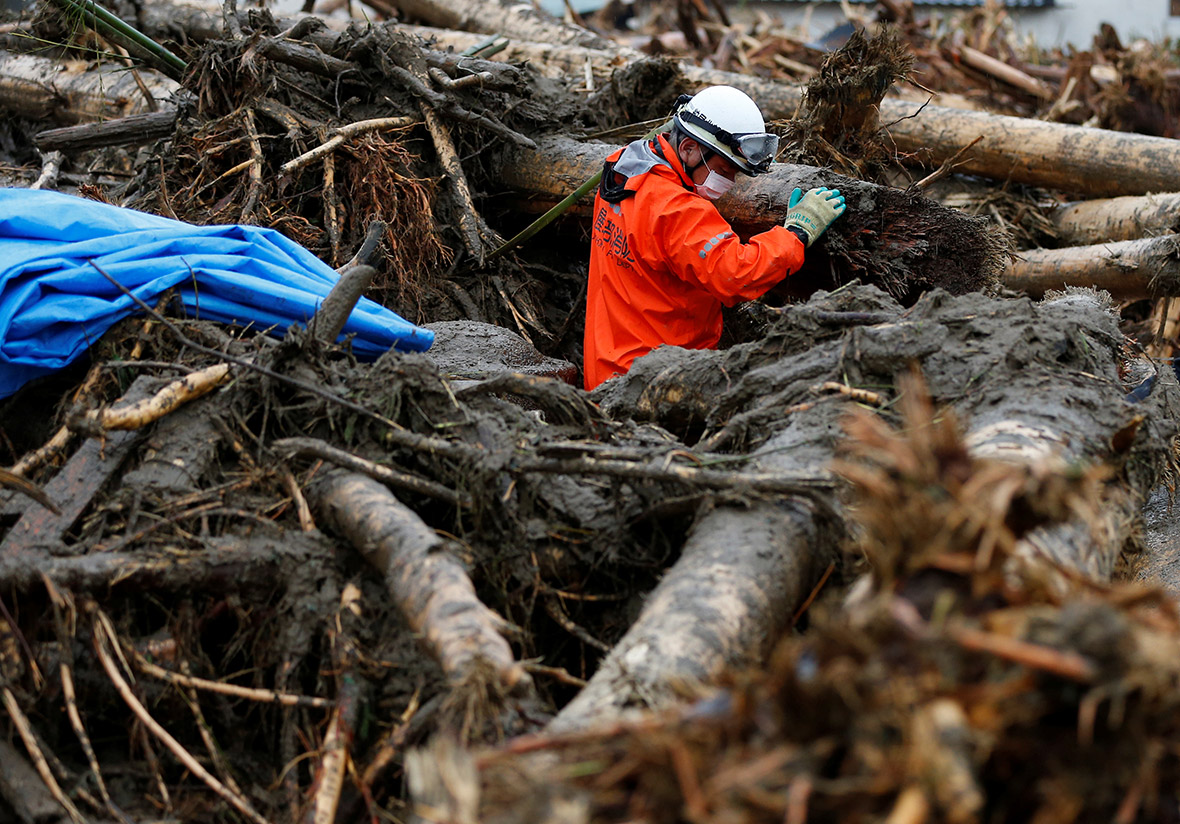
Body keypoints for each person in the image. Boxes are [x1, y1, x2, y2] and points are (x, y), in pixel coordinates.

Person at [583, 85, 846, 390]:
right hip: (655, 384)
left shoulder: (625, 167)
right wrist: (798, 232)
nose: (730, 183)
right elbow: (736, 274)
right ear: (689, 149)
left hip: (605, 370)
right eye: (724, 169)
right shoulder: (678, 211)